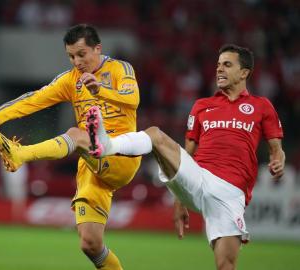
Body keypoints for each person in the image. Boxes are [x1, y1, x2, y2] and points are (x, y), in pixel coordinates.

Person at [85, 44, 285, 270]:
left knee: (226, 265)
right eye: (218, 64)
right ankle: (107, 144)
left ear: (244, 73)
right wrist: (179, 201)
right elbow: (187, 154)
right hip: (197, 177)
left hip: (230, 195)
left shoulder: (261, 106)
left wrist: (278, 161)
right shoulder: (202, 106)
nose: (219, 69)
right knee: (156, 136)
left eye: (227, 65)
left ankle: (108, 144)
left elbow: (276, 148)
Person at [0, 24, 141, 270]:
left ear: (97, 48)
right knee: (90, 243)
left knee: (76, 134)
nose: (76, 61)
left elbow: (133, 99)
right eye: (71, 56)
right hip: (93, 166)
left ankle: (20, 154)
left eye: (81, 54)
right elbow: (35, 99)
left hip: (122, 155)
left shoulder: (120, 69)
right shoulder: (71, 80)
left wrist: (102, 91)